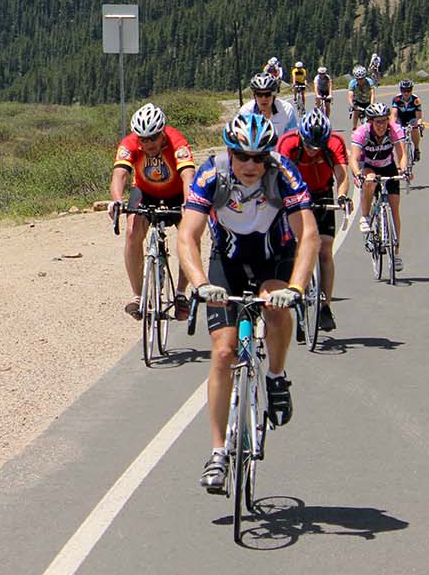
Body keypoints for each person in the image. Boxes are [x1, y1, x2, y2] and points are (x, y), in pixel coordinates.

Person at [177, 113, 319, 494]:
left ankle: (275, 376)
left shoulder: (283, 174)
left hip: (275, 258)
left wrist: (297, 287)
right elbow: (187, 235)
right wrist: (201, 284)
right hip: (227, 263)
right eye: (243, 156)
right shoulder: (212, 175)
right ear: (230, 153)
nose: (252, 165)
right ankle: (218, 452)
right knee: (223, 353)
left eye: (260, 157)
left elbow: (309, 236)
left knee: (276, 304)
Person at [109, 103, 196, 322]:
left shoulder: (177, 141)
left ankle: (181, 294)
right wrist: (117, 200)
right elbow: (120, 174)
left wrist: (190, 203)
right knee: (131, 233)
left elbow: (188, 175)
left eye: (153, 138)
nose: (147, 144)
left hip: (176, 193)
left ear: (163, 132)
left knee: (189, 236)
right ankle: (138, 296)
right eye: (143, 139)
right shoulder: (129, 144)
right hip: (145, 192)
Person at [277, 109, 352, 332]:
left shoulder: (334, 142)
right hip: (295, 194)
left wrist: (342, 196)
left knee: (325, 248)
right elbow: (277, 174)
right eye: (309, 145)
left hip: (322, 192)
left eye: (318, 147)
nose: (313, 151)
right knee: (298, 247)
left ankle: (325, 306)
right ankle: (299, 296)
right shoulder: (288, 142)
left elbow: (342, 175)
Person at [349, 103, 412, 270]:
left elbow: (402, 154)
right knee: (370, 180)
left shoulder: (394, 129)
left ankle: (396, 253)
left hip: (388, 165)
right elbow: (354, 159)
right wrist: (358, 174)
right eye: (378, 122)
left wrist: (405, 170)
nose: (381, 125)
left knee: (394, 207)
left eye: (384, 121)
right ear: (370, 121)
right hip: (368, 165)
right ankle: (366, 216)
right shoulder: (361, 132)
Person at [239, 71, 298, 138]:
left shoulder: (287, 110)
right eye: (259, 95)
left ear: (274, 95)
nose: (263, 98)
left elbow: (293, 138)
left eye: (267, 94)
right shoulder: (245, 112)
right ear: (254, 95)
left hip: (279, 147)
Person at [391, 79, 423, 162]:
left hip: (411, 117)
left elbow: (419, 116)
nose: (406, 93)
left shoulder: (416, 100)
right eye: (403, 91)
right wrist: (392, 126)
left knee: (415, 129)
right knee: (398, 134)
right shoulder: (396, 99)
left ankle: (416, 149)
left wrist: (419, 124)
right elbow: (394, 115)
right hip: (400, 118)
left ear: (411, 90)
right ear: (400, 90)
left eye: (408, 91)